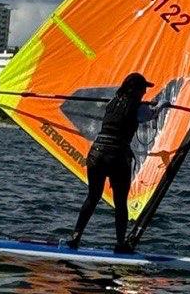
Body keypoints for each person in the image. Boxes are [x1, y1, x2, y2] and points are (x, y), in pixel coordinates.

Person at [65, 72, 167, 253]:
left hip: (96, 153)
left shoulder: (112, 103)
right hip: (117, 157)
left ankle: (75, 236)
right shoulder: (138, 107)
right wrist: (161, 106)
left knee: (93, 197)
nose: (145, 91)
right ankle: (120, 244)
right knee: (120, 203)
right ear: (134, 89)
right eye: (143, 88)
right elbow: (150, 115)